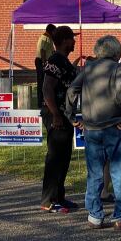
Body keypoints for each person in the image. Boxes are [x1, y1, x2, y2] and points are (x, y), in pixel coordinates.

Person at [66, 35, 121, 230]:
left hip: (91, 127)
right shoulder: (118, 68)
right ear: (116, 53)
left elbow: (72, 90)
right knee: (119, 172)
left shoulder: (88, 69)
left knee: (94, 173)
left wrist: (72, 117)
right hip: (114, 126)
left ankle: (95, 216)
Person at [40, 25, 78, 214]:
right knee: (55, 157)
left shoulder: (64, 61)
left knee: (64, 156)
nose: (75, 41)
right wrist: (55, 114)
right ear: (64, 41)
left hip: (64, 115)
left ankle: (59, 196)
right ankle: (48, 200)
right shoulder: (55, 60)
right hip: (56, 115)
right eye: (72, 38)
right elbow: (47, 88)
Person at [36, 24, 57, 109]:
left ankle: (45, 101)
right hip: (41, 61)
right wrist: (44, 63)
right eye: (54, 31)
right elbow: (42, 50)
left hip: (46, 61)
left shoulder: (49, 39)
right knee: (42, 82)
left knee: (46, 82)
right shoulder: (44, 38)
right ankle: (41, 103)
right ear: (51, 31)